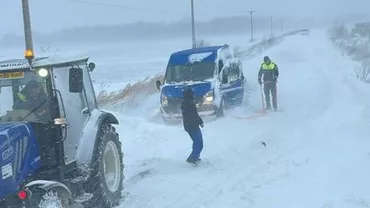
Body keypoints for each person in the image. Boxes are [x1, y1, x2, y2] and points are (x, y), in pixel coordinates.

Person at [180, 87, 204, 165]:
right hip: (193, 126)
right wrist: (200, 122)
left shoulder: (185, 102)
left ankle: (194, 157)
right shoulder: (189, 102)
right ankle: (192, 159)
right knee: (199, 143)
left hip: (189, 126)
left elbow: (193, 114)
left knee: (196, 142)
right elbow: (194, 114)